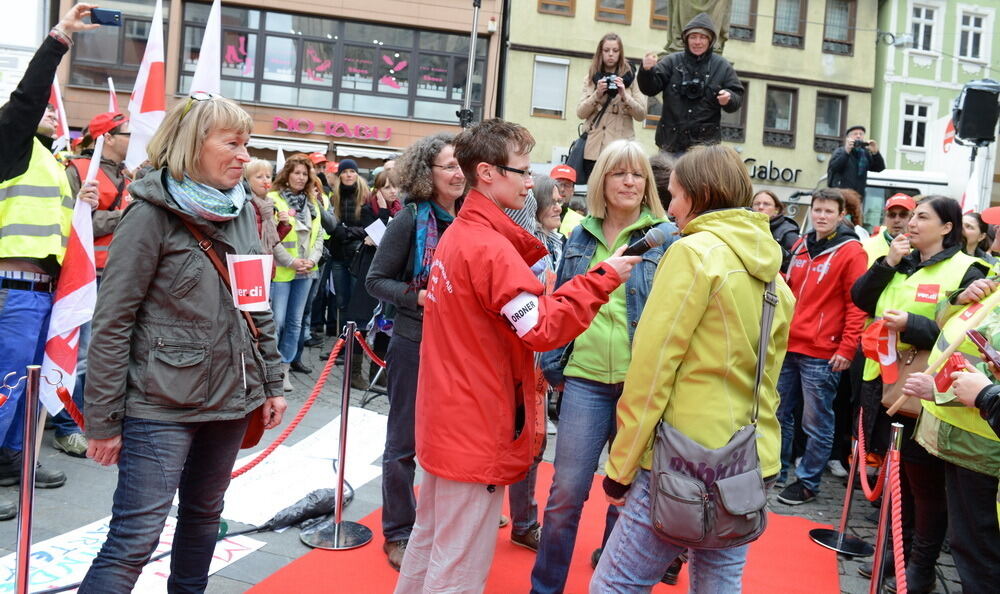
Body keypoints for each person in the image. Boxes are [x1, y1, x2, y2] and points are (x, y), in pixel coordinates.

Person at [393, 119, 640, 593]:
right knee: (457, 565)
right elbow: (545, 329)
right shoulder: (486, 246)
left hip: (450, 416)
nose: (532, 182)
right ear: (486, 172)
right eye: (522, 171)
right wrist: (603, 277)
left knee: (430, 546)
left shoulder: (461, 235)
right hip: (477, 423)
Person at [79, 93, 287, 592]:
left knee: (203, 520)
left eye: (247, 144)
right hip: (160, 406)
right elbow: (112, 322)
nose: (244, 155)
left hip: (232, 404)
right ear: (194, 144)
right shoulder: (148, 214)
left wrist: (272, 381)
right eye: (232, 143)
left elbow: (255, 305)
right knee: (134, 539)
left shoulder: (245, 212)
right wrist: (104, 421)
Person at [592, 144, 793, 592]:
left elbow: (652, 367)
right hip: (746, 453)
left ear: (699, 195)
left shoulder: (693, 254)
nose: (672, 208)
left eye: (676, 195)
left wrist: (621, 467)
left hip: (682, 454)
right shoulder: (774, 270)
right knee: (718, 579)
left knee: (617, 582)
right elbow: (769, 377)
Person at [531, 140, 676, 593]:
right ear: (603, 181)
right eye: (619, 173)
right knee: (565, 494)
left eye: (637, 174)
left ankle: (611, 580)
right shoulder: (580, 234)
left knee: (626, 493)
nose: (630, 181)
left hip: (641, 385)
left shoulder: (668, 236)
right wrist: (552, 364)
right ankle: (546, 587)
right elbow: (562, 302)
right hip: (585, 380)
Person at [851, 196, 988, 593]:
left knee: (925, 488)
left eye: (921, 217)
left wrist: (911, 325)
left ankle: (920, 569)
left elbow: (962, 339)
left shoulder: (969, 271)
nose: (910, 223)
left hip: (929, 394)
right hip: (886, 383)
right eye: (909, 217)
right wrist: (889, 262)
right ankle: (898, 555)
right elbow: (861, 298)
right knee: (900, 483)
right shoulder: (904, 261)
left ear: (948, 227)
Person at [0, 3, 99, 519]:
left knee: (31, 384)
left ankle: (14, 460)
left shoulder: (51, 162)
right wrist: (59, 38)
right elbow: (25, 98)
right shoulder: (9, 143)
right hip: (11, 290)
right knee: (6, 382)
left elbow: (65, 234)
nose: (47, 111)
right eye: (43, 107)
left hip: (44, 295)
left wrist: (85, 212)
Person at [365, 132, 465, 571]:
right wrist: (418, 297)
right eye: (449, 166)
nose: (459, 173)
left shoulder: (475, 217)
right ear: (428, 174)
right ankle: (399, 531)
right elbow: (376, 280)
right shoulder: (410, 219)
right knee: (403, 442)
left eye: (462, 164)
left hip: (462, 347)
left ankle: (446, 519)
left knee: (452, 438)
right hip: (415, 342)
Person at [901, 273, 1000, 593]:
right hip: (945, 427)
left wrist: (941, 392)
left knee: (978, 548)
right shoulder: (993, 277)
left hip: (979, 441)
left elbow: (987, 365)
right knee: (956, 533)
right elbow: (944, 321)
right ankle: (920, 567)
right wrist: (958, 299)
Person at [774, 188, 868, 505]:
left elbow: (857, 305)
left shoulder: (852, 251)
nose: (821, 216)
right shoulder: (801, 245)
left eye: (829, 211)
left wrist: (846, 348)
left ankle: (808, 482)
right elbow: (789, 292)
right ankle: (778, 471)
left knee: (816, 423)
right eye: (817, 210)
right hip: (789, 345)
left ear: (842, 215)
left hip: (823, 352)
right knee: (779, 414)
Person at [53, 111, 132, 459]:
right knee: (80, 355)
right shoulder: (77, 170)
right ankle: (68, 427)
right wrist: (123, 216)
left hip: (119, 274)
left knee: (106, 353)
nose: (133, 138)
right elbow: (74, 221)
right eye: (126, 132)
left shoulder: (128, 175)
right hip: (86, 275)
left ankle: (93, 423)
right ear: (108, 138)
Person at [637, 12, 743, 156]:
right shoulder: (671, 61)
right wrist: (646, 70)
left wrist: (729, 98)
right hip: (670, 145)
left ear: (710, 41)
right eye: (693, 37)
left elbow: (737, 97)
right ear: (686, 40)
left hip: (704, 149)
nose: (697, 42)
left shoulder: (722, 66)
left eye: (703, 37)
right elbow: (649, 89)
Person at [267, 155, 324, 390]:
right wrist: (291, 261)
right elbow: (270, 237)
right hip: (282, 271)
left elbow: (319, 234)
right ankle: (269, 368)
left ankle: (284, 370)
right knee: (276, 321)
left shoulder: (312, 201)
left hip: (307, 272)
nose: (301, 178)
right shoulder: (273, 199)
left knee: (295, 323)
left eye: (304, 174)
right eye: (297, 173)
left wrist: (311, 260)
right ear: (287, 174)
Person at [344, 169, 398, 389]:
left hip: (391, 274)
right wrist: (384, 212)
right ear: (377, 190)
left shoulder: (403, 211)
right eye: (387, 187)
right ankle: (354, 373)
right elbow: (380, 237)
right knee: (361, 321)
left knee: (386, 322)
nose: (392, 191)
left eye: (395, 186)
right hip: (369, 272)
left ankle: (380, 371)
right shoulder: (368, 209)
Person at [576, 33, 646, 184]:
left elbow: (641, 115)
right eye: (606, 50)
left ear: (621, 53)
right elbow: (580, 113)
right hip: (594, 150)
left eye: (615, 50)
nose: (610, 54)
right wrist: (597, 94)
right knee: (594, 194)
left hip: (619, 150)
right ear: (600, 52)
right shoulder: (591, 77)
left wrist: (624, 95)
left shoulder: (632, 78)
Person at [827, 125, 886, 197]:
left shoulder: (865, 153)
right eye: (855, 134)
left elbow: (879, 168)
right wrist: (846, 152)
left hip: (857, 196)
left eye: (861, 134)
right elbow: (834, 168)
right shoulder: (840, 151)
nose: (858, 136)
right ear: (848, 138)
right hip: (840, 195)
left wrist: (875, 153)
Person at [752, 189, 799, 271]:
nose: (760, 207)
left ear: (776, 210)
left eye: (766, 204)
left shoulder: (788, 233)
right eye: (756, 204)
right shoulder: (747, 228)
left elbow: (792, 266)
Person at [862, 193, 915, 266]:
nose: (896, 220)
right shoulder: (865, 246)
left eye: (903, 215)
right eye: (892, 215)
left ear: (913, 217)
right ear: (885, 218)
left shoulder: (924, 249)